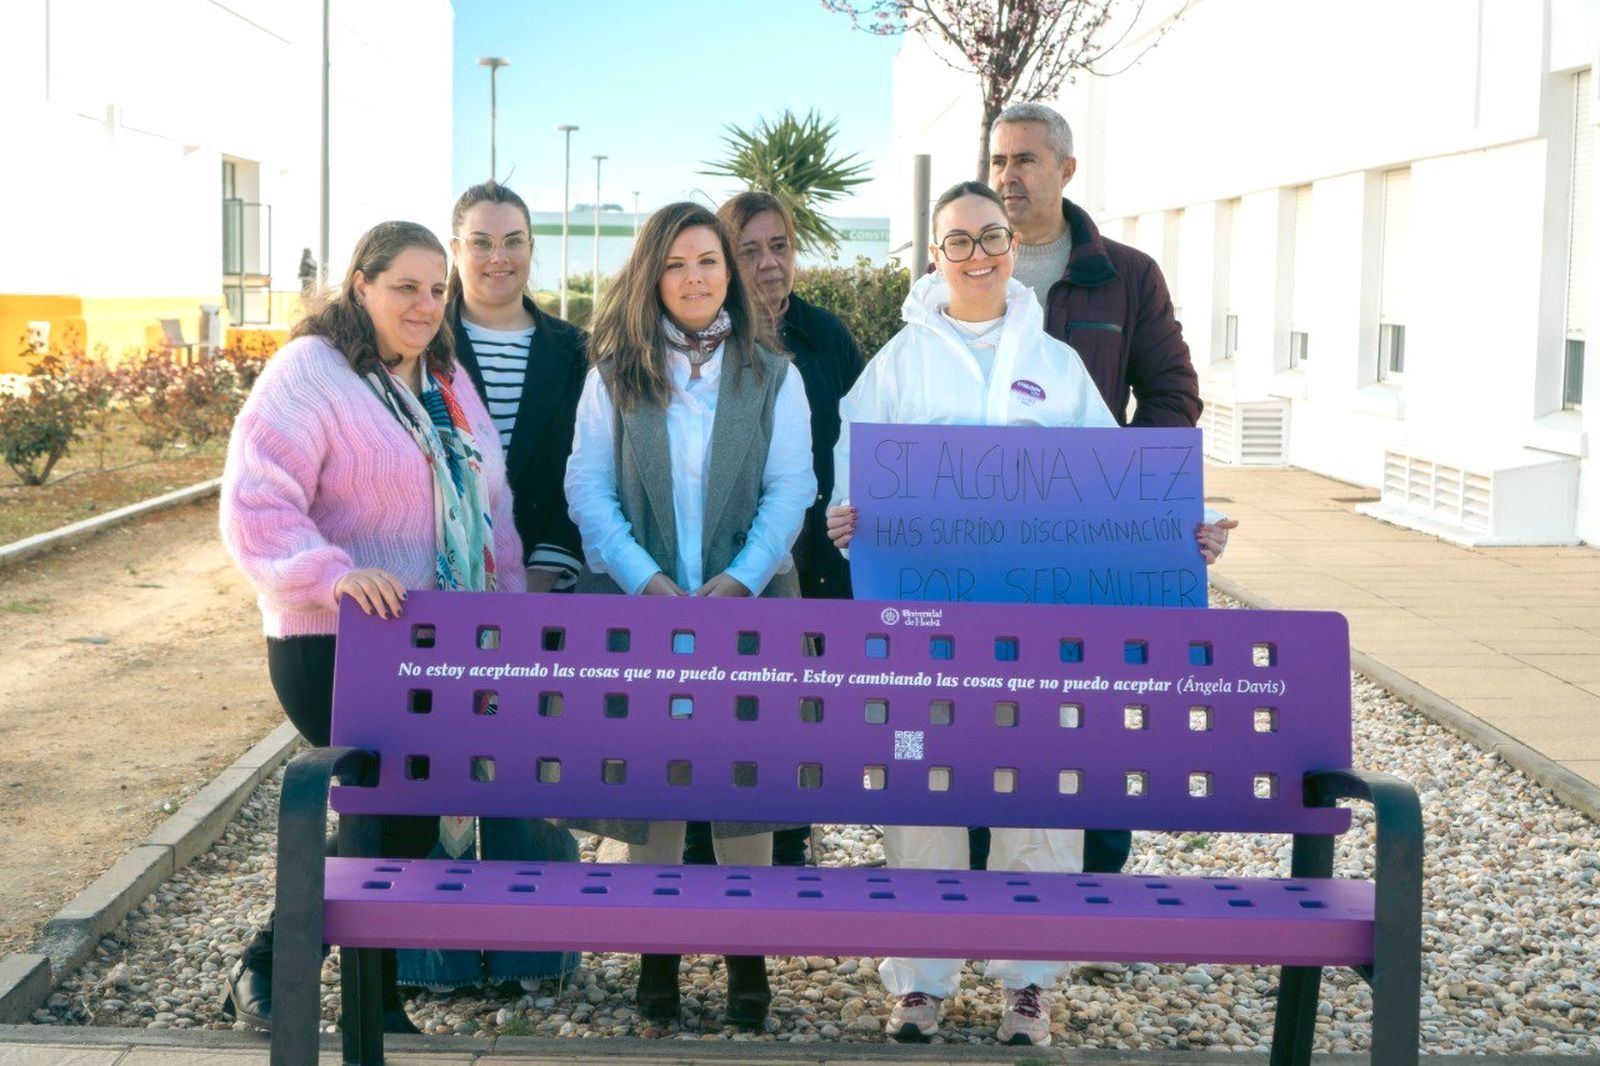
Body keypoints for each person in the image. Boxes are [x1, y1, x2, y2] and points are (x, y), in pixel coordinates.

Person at [825, 181, 1120, 1048]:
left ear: (1012, 245)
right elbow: (855, 466)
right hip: (924, 632)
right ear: (934, 254)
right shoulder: (899, 363)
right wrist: (848, 520)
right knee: (923, 791)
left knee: (1041, 792)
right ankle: (921, 978)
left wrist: (1184, 529)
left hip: (1035, 632)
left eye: (991, 236)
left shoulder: (1056, 364)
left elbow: (1112, 483)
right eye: (958, 241)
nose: (978, 254)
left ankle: (1029, 982)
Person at [219, 221, 526, 1032]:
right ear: (360, 284)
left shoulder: (445, 379)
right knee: (379, 809)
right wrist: (334, 574)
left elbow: (493, 509)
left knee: (407, 817)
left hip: (441, 646)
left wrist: (510, 617)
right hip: (338, 641)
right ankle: (286, 973)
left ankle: (363, 995)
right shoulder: (310, 374)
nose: (425, 304)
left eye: (436, 290)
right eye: (405, 287)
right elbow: (255, 506)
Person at [562, 201, 815, 1029]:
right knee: (657, 780)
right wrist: (645, 581)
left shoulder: (773, 372)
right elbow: (588, 488)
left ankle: (748, 960)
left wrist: (741, 581)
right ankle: (656, 956)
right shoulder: (615, 372)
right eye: (675, 264)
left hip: (749, 607)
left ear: (729, 273)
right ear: (652, 277)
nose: (695, 277)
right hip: (647, 610)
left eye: (708, 260)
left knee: (747, 775)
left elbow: (792, 488)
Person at [988, 101, 1237, 878]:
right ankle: (974, 886)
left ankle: (1093, 893)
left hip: (1086, 548)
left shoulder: (1124, 276)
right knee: (980, 712)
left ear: (1065, 170)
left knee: (1086, 711)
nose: (1008, 176)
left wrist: (1115, 484)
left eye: (1026, 160)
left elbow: (1172, 395)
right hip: (981, 542)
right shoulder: (962, 270)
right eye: (999, 161)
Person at [382, 181, 586, 992]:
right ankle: (429, 946)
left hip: (535, 586)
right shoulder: (422, 341)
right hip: (431, 601)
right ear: (456, 250)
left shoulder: (574, 351)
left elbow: (582, 473)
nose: (498, 257)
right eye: (480, 241)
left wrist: (538, 577)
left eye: (514, 240)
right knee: (427, 766)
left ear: (533, 249)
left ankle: (521, 948)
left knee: (521, 760)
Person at [679, 191, 867, 870]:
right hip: (718, 571)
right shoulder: (696, 345)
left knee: (797, 720)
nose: (768, 264)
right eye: (749, 249)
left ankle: (785, 854)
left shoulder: (827, 340)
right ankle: (701, 849)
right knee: (710, 718)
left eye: (779, 246)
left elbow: (861, 449)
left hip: (813, 569)